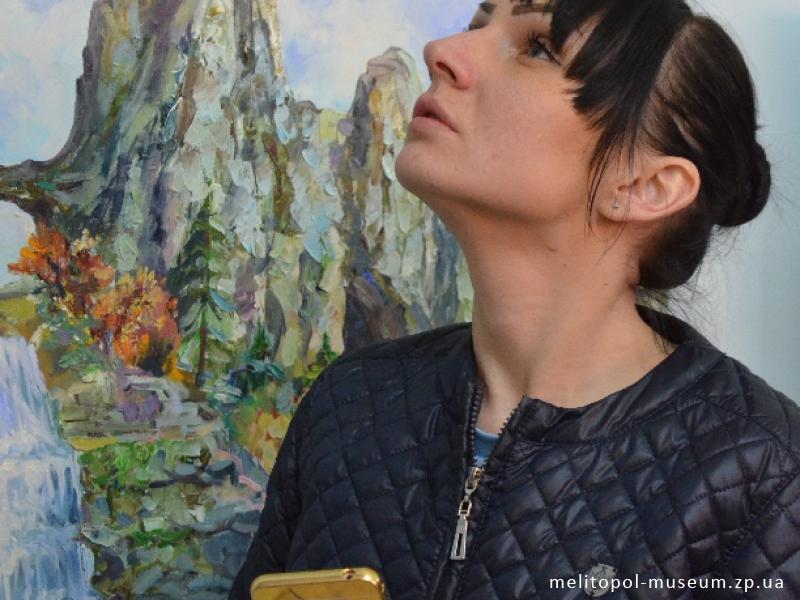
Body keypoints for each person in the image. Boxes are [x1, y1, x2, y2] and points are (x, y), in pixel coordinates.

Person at [229, 1, 800, 598]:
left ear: (645, 185)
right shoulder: (350, 405)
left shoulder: (762, 478)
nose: (441, 52)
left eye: (537, 49)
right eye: (477, 25)